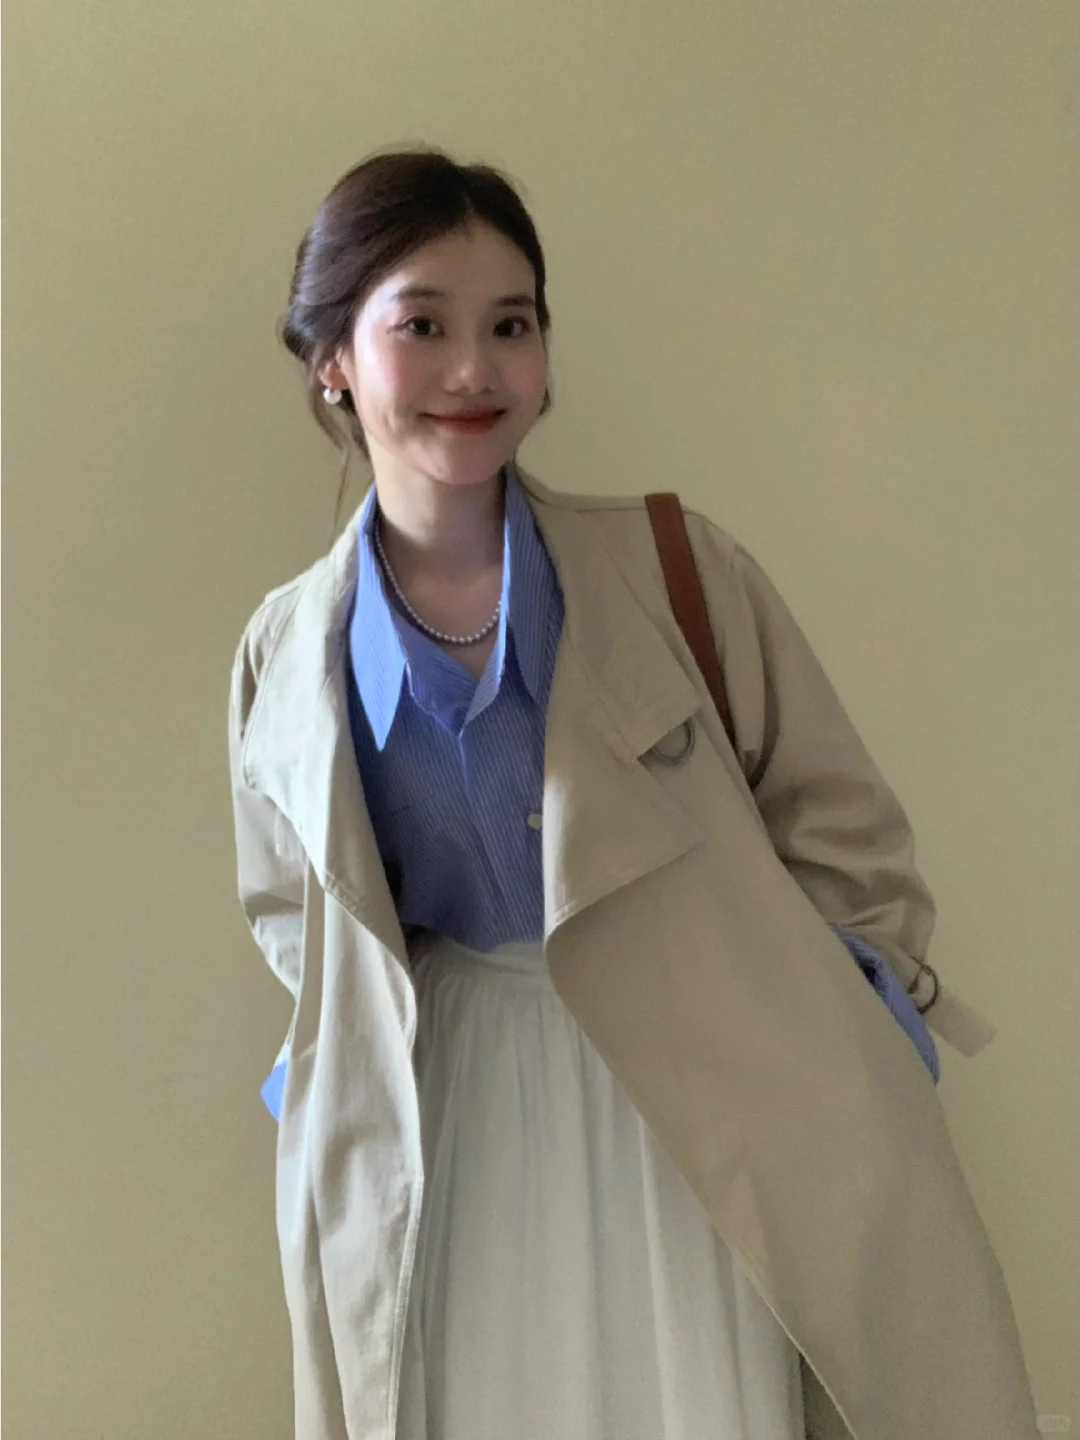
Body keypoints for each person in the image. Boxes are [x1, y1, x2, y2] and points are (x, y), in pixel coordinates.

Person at [227, 146, 1037, 1440]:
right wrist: (326, 1078)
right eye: (422, 325)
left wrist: (858, 1033)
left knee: (689, 1393)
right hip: (453, 1109)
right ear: (332, 357)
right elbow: (290, 905)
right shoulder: (284, 650)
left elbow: (843, 829)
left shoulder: (672, 570)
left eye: (512, 326)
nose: (474, 370)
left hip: (691, 1090)